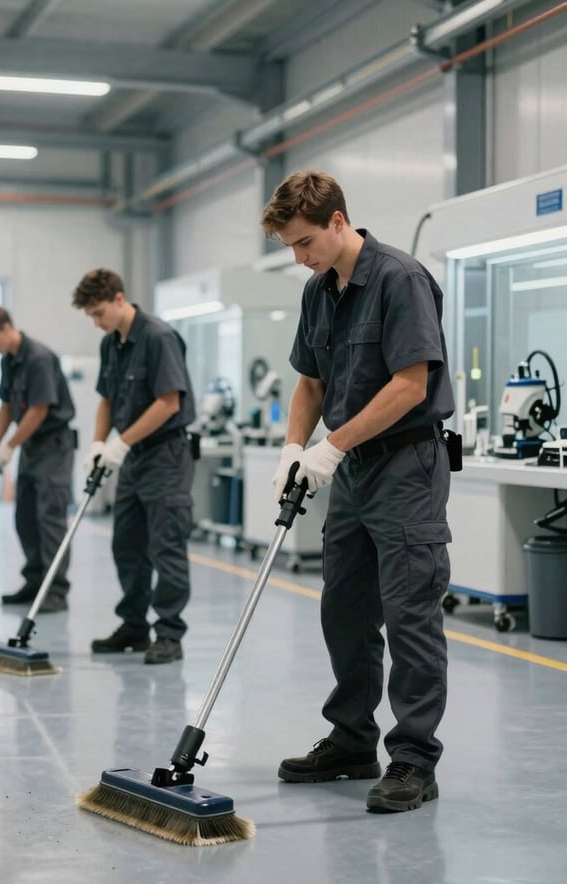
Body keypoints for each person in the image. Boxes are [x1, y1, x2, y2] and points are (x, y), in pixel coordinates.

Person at [261, 169, 454, 813]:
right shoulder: (319, 290)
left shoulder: (400, 278)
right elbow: (309, 382)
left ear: (339, 221)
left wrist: (332, 445)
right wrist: (295, 447)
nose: (299, 256)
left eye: (305, 242)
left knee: (410, 613)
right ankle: (351, 740)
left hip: (406, 467)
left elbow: (410, 384)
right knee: (343, 608)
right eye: (290, 246)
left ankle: (413, 759)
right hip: (349, 472)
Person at [72, 268, 196, 665]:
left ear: (120, 299)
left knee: (166, 546)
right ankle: (134, 626)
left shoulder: (159, 338)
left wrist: (120, 443)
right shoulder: (112, 344)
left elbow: (169, 402)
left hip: (166, 456)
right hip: (132, 459)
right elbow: (107, 398)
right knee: (127, 544)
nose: (96, 322)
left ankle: (169, 634)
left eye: (99, 313)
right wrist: (97, 443)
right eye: (90, 316)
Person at [0, 307, 76, 613]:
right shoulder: (9, 360)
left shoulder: (39, 358)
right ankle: (35, 583)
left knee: (50, 518)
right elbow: (6, 404)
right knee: (26, 517)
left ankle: (55, 590)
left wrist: (10, 447)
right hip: (31, 446)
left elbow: (39, 410)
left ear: (7, 328)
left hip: (53, 446)